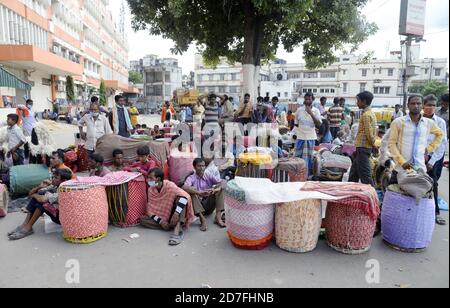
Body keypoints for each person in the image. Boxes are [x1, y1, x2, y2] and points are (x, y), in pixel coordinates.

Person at [388, 95, 444, 200]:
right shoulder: (398, 122)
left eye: (418, 103)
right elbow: (391, 144)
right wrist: (401, 161)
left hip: (419, 169)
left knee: (419, 199)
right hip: (400, 168)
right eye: (413, 103)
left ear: (422, 105)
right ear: (408, 105)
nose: (416, 106)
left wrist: (429, 149)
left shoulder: (428, 123)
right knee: (394, 197)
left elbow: (440, 134)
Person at [7, 169, 73, 241]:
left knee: (43, 203)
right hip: (57, 213)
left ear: (63, 181)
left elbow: (42, 200)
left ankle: (28, 227)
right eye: (53, 176)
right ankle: (25, 224)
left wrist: (35, 195)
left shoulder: (63, 191)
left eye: (56, 178)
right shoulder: (55, 186)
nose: (53, 179)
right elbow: (30, 194)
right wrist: (40, 187)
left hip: (61, 219)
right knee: (39, 196)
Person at [140, 168, 195, 246]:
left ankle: (177, 228)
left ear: (158, 179)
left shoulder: (170, 185)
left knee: (181, 200)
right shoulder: (150, 190)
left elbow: (185, 196)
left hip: (174, 213)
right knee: (142, 220)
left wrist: (176, 213)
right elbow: (150, 209)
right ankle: (168, 225)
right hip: (163, 216)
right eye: (148, 177)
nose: (148, 180)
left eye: (150, 178)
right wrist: (160, 221)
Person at [423, 95, 448, 226]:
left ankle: (435, 213)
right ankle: (420, 210)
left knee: (433, 183)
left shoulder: (440, 122)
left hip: (434, 157)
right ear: (423, 106)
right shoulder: (418, 120)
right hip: (419, 156)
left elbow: (442, 144)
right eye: (428, 105)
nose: (430, 108)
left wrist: (431, 161)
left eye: (433, 105)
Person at [182, 158, 226, 232]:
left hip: (208, 204)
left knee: (220, 188)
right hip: (198, 207)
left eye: (203, 166)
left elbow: (223, 181)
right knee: (191, 192)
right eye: (199, 166)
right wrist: (199, 193)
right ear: (194, 167)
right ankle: (202, 219)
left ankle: (218, 217)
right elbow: (184, 187)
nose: (202, 168)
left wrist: (216, 189)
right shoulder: (191, 178)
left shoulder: (208, 175)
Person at [348, 91, 378, 186]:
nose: (357, 103)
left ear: (364, 101)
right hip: (361, 147)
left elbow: (369, 133)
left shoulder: (366, 115)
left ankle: (372, 195)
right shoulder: (371, 114)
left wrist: (373, 145)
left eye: (358, 101)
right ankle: (350, 191)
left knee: (365, 176)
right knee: (353, 174)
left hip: (363, 148)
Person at [294, 92, 322, 176]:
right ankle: (298, 175)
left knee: (308, 158)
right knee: (298, 157)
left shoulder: (316, 111)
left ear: (312, 100)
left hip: (310, 138)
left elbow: (319, 125)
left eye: (309, 99)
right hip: (300, 137)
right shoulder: (299, 110)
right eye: (306, 99)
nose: (307, 101)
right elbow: (296, 124)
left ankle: (306, 176)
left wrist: (311, 113)